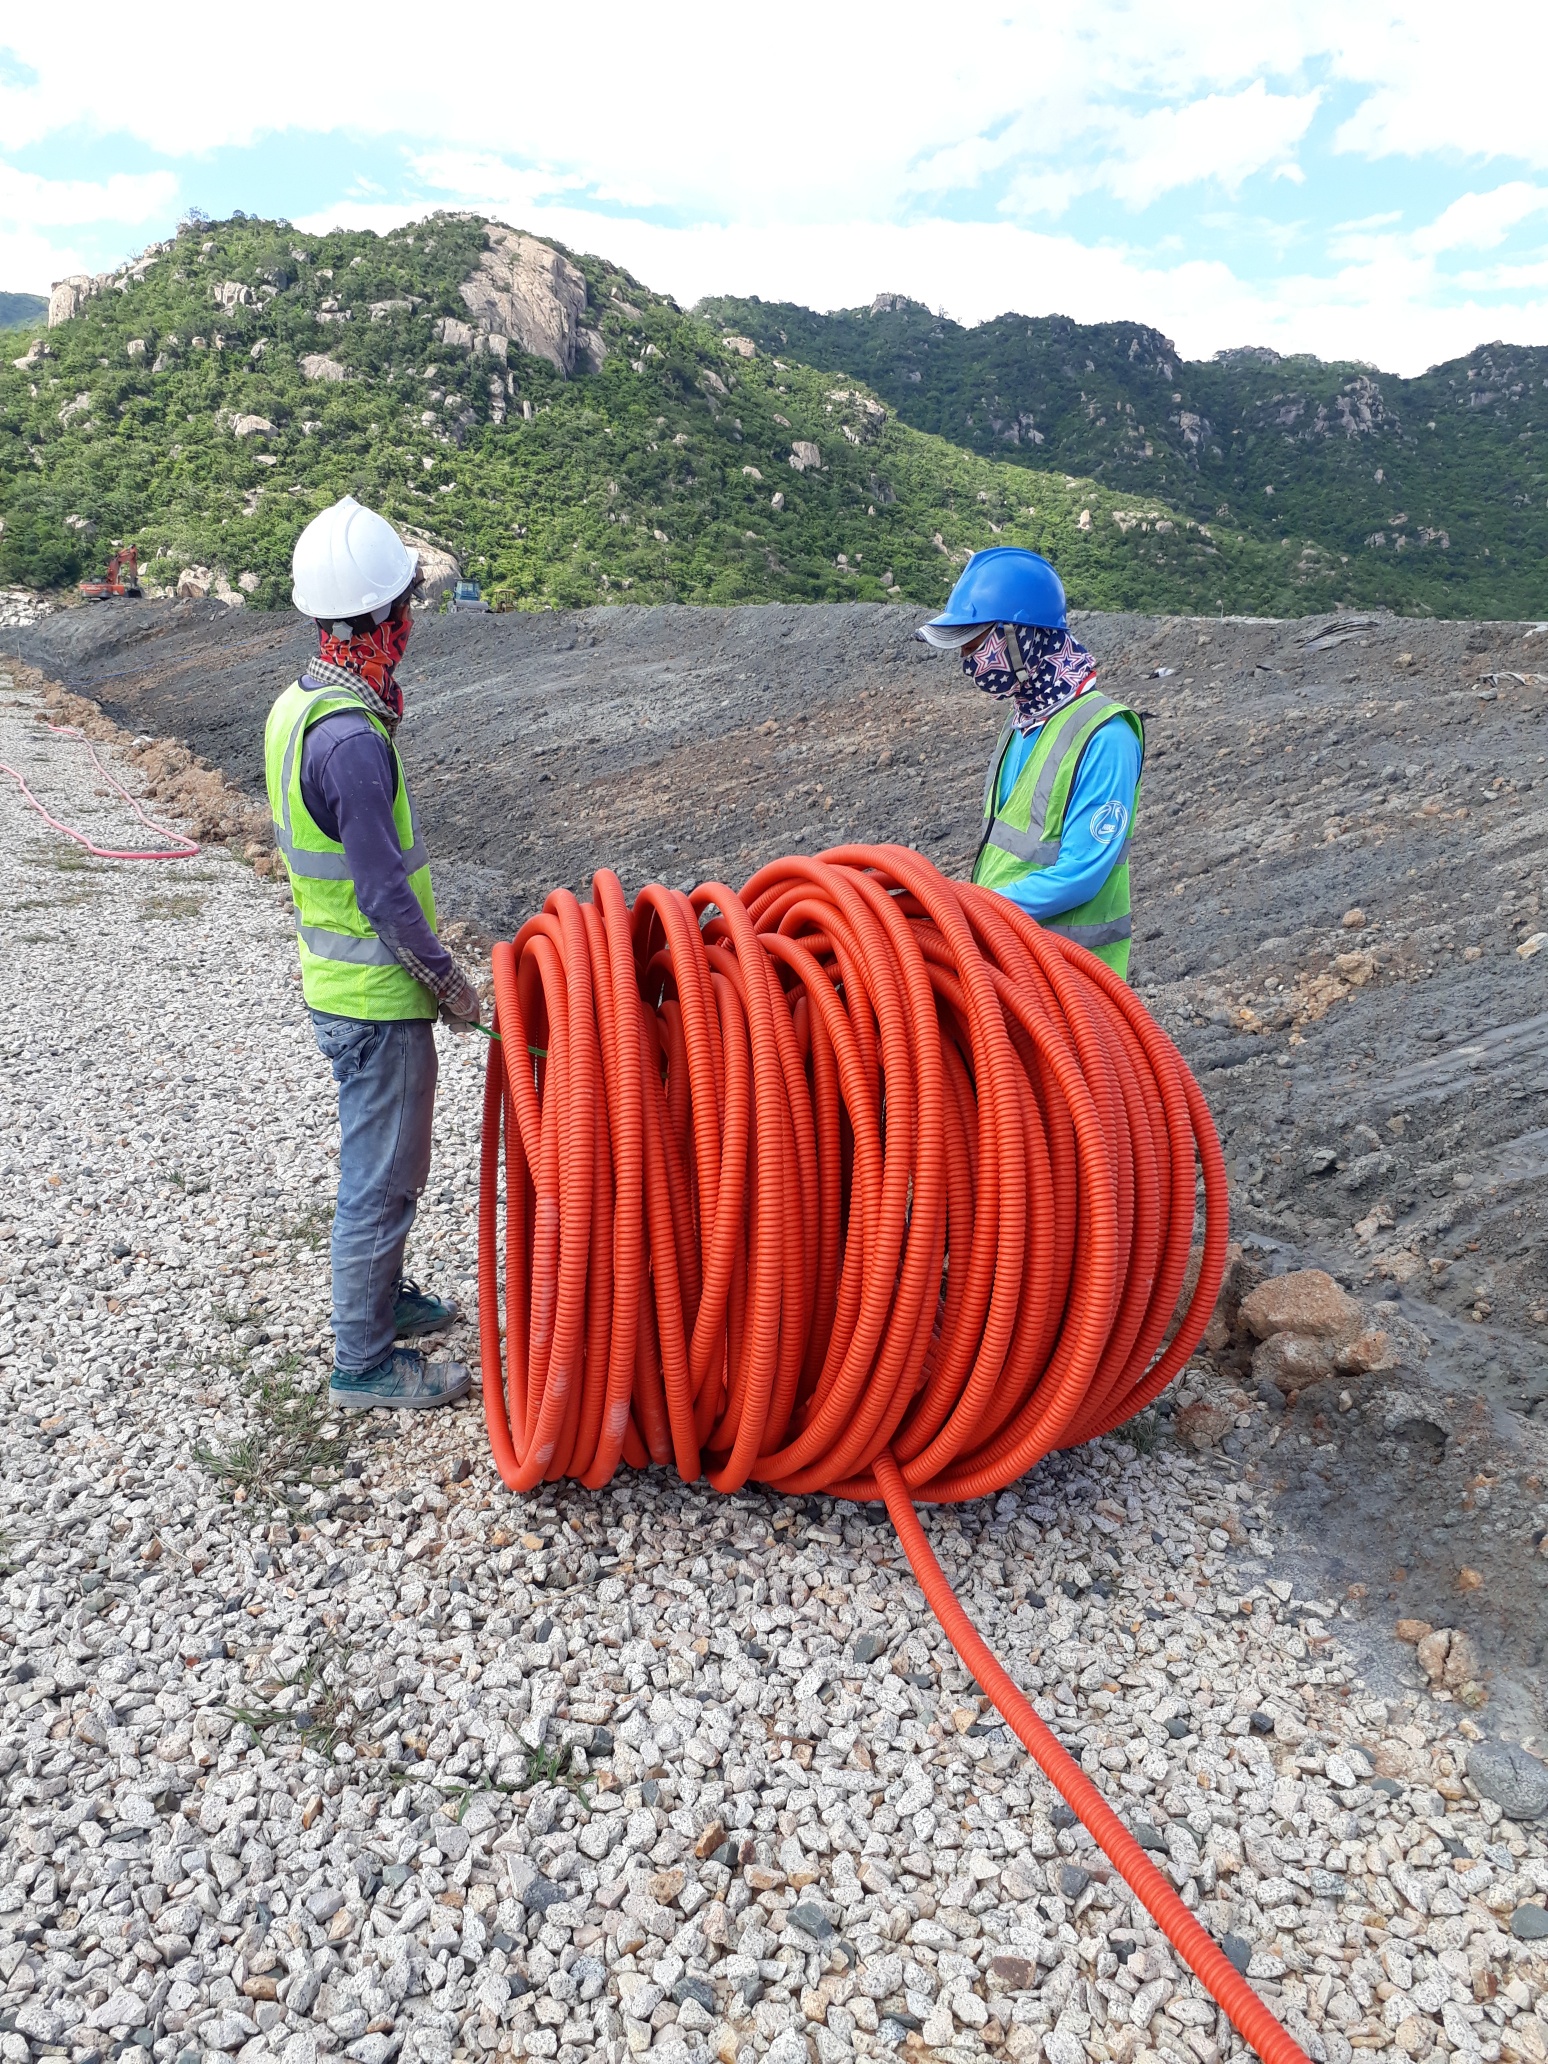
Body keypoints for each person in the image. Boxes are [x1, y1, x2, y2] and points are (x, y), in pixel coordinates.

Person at [265, 496, 481, 1411]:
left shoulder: (301, 704)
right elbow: (385, 896)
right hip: (375, 999)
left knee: (385, 1163)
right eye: (404, 608)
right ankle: (363, 1362)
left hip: (338, 984)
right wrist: (451, 985)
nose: (410, 623)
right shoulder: (352, 740)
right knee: (383, 1177)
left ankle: (383, 1300)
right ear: (381, 621)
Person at [917, 546, 1143, 978]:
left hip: (1070, 978)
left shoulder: (1106, 737)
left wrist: (969, 907)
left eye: (975, 643)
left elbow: (1081, 874)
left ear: (1020, 638)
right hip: (1006, 954)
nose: (966, 661)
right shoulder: (1021, 721)